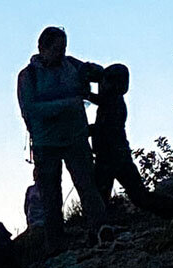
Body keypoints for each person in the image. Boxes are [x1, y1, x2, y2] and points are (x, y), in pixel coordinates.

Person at [17, 26, 110, 252]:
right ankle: (56, 246)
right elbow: (30, 109)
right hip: (45, 144)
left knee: (88, 187)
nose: (61, 53)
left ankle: (101, 231)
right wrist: (68, 104)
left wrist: (97, 73)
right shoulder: (28, 76)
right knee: (50, 197)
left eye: (64, 48)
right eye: (57, 49)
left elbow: (99, 74)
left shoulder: (72, 65)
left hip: (75, 138)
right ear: (42, 48)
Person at [87, 64, 173, 219]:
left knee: (122, 198)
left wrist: (84, 130)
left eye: (104, 82)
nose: (101, 85)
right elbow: (99, 101)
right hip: (116, 156)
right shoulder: (113, 101)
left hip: (111, 157)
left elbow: (103, 128)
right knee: (137, 196)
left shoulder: (114, 104)